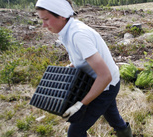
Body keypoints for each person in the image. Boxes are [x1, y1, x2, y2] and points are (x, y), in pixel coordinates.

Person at [35, 0, 132, 136]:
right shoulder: (68, 31)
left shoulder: (78, 35)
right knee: (113, 116)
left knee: (76, 132)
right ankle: (125, 133)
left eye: (46, 19)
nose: (43, 25)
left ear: (62, 15)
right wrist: (71, 67)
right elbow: (81, 58)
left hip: (105, 85)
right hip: (105, 82)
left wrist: (81, 104)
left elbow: (105, 76)